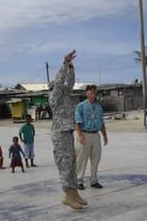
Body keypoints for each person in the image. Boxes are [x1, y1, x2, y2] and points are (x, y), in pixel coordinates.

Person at [49, 50, 87, 210]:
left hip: (67, 131)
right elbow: (59, 83)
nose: (64, 87)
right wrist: (64, 63)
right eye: (59, 87)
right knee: (65, 164)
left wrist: (71, 67)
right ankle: (67, 195)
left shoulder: (64, 94)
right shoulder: (55, 97)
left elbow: (69, 83)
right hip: (59, 133)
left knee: (71, 163)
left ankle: (74, 192)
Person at [75, 84, 108, 190]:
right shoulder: (80, 106)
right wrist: (80, 135)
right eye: (91, 92)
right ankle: (79, 180)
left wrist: (104, 135)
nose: (94, 94)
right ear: (87, 93)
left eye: (95, 92)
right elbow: (77, 122)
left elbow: (101, 123)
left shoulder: (98, 107)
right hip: (84, 134)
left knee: (96, 159)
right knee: (82, 159)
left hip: (95, 134)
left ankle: (94, 180)